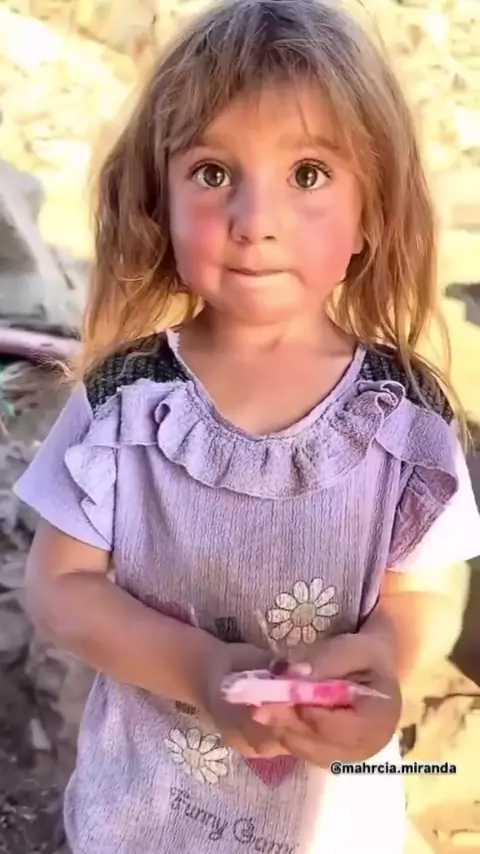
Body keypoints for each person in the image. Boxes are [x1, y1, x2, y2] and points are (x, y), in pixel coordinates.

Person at [14, 0, 480, 851]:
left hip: (330, 825)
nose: (255, 220)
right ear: (157, 199)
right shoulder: (125, 399)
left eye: (308, 174)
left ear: (372, 211)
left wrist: (383, 660)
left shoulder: (404, 414)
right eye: (213, 172)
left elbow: (427, 593)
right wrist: (198, 670)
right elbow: (62, 587)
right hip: (144, 818)